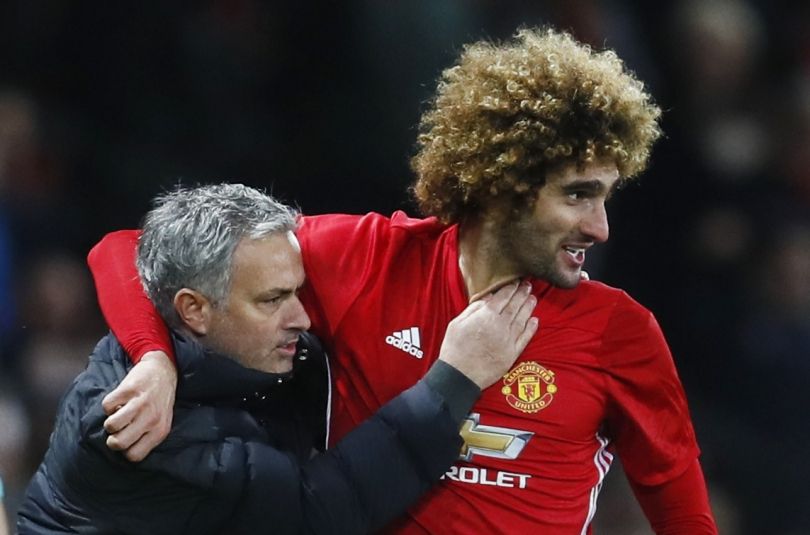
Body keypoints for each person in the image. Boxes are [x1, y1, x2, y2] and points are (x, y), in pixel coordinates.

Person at [86, 28, 717, 534]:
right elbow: (130, 250)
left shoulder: (621, 334)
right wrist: (155, 360)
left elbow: (686, 517)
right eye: (578, 195)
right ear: (501, 183)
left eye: (605, 196)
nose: (600, 227)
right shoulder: (365, 261)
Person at [17, 184, 538, 534]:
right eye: (272, 300)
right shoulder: (136, 428)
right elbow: (322, 509)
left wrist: (155, 355)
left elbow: (122, 246)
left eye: (298, 292)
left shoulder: (214, 347)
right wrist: (454, 380)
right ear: (194, 310)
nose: (303, 318)